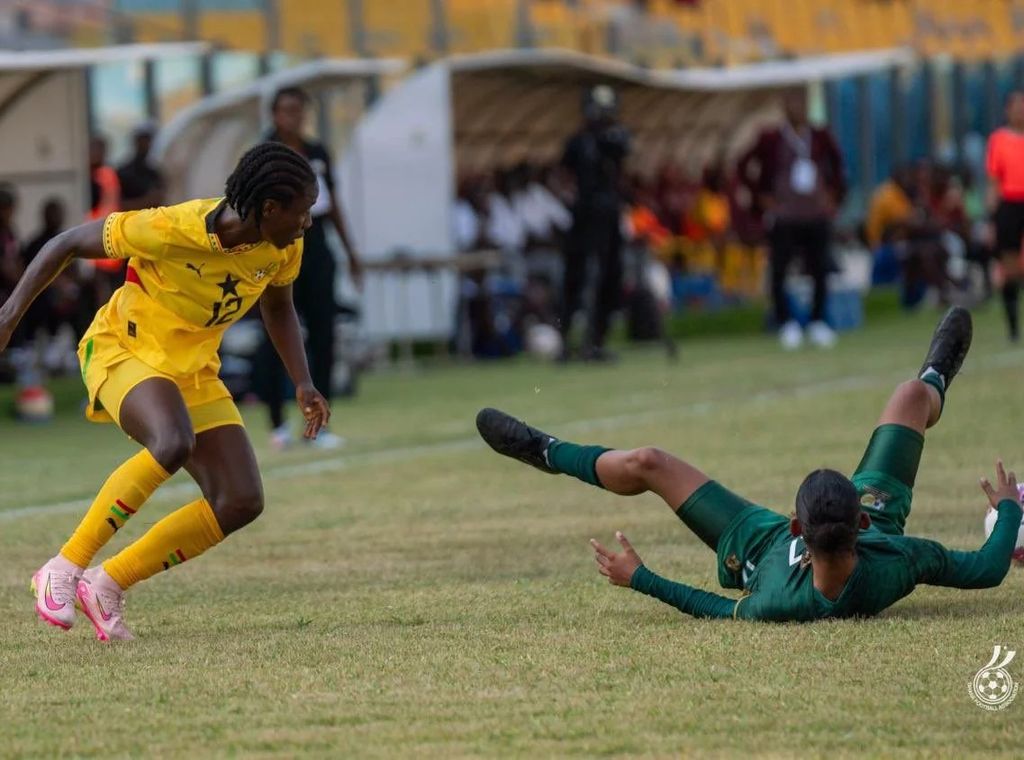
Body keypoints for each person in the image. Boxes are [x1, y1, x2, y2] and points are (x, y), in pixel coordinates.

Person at [477, 307, 1023, 622]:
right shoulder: (899, 558)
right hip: (875, 519)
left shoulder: (778, 597)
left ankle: (546, 451)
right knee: (909, 395)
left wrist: (640, 578)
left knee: (649, 462)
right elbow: (986, 569)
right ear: (859, 519)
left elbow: (714, 609)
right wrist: (1009, 510)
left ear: (796, 527)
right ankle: (935, 377)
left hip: (755, 544)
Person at [0, 142, 331, 641]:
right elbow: (65, 244)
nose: (307, 222)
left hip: (193, 370)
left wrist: (302, 381)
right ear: (268, 208)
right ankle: (63, 568)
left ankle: (106, 584)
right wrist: (7, 317)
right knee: (172, 442)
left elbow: (278, 307)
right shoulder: (173, 226)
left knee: (240, 500)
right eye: (302, 211)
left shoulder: (283, 246)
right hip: (122, 350)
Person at [256, 86, 363, 450]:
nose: (294, 117)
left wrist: (350, 252)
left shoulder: (317, 152)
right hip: (279, 248)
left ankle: (320, 425)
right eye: (287, 110)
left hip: (315, 249)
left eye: (299, 110)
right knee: (276, 337)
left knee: (323, 335)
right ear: (275, 114)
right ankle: (277, 423)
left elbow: (333, 204)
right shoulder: (264, 153)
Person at [737, 88, 846, 351]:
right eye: (794, 102)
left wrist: (832, 197)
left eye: (803, 102)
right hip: (784, 216)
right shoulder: (771, 137)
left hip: (814, 213)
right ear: (784, 105)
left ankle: (818, 320)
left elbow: (838, 167)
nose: (800, 107)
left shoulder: (819, 136)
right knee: (779, 269)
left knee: (819, 267)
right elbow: (743, 165)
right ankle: (786, 322)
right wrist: (761, 197)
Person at [559, 84, 630, 362]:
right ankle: (565, 341)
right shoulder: (578, 142)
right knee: (576, 278)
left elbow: (622, 151)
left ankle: (597, 340)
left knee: (609, 277)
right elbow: (565, 173)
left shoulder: (615, 138)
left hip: (608, 217)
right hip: (584, 216)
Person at [985, 90, 1024, 341]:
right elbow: (993, 181)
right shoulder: (998, 140)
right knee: (1009, 266)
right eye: (1017, 106)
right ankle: (1013, 327)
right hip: (1009, 205)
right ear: (1007, 111)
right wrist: (992, 219)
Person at [117, 122, 166, 211]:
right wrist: (146, 201)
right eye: (143, 140)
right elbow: (119, 205)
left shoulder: (154, 173)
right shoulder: (124, 173)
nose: (146, 144)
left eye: (148, 140)